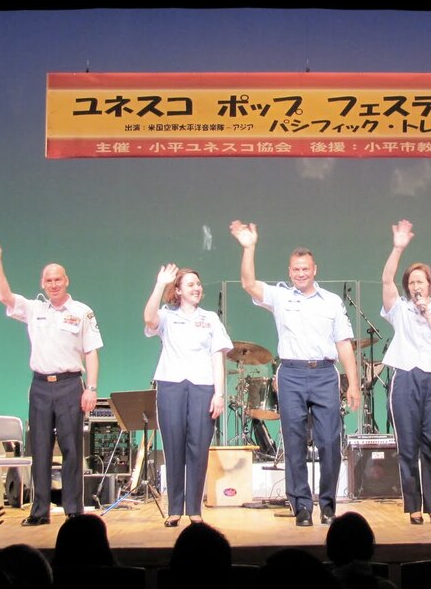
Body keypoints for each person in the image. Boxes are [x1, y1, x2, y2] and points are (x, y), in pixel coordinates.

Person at [230, 220, 360, 527]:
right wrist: (249, 248)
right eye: (296, 270)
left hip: (324, 373)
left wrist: (353, 383)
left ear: (315, 270)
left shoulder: (332, 302)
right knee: (294, 442)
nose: (301, 274)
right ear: (290, 272)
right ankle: (301, 506)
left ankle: (327, 505)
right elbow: (249, 284)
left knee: (330, 443)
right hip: (291, 374)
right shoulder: (280, 297)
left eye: (306, 269)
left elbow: (344, 344)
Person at [0, 235, 102, 526]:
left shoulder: (82, 312)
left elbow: (91, 352)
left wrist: (92, 388)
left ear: (66, 281)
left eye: (58, 279)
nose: (53, 284)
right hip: (40, 386)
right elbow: (5, 297)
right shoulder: (35, 309)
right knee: (40, 451)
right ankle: (39, 511)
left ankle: (74, 511)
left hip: (70, 385)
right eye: (48, 280)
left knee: (72, 450)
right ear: (42, 284)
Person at [381, 220, 431, 525]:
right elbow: (386, 280)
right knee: (408, 446)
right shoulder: (399, 309)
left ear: (429, 285)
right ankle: (413, 506)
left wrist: (428, 316)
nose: (416, 286)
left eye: (420, 282)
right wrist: (397, 247)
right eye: (412, 282)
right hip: (405, 378)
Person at [143, 263, 232, 527]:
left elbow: (217, 357)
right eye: (190, 284)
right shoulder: (167, 315)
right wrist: (160, 284)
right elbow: (149, 319)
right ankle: (174, 509)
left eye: (198, 284)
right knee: (173, 447)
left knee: (198, 448)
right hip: (171, 385)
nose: (196, 288)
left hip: (203, 387)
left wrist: (219, 394)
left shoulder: (211, 318)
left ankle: (194, 509)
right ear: (178, 291)